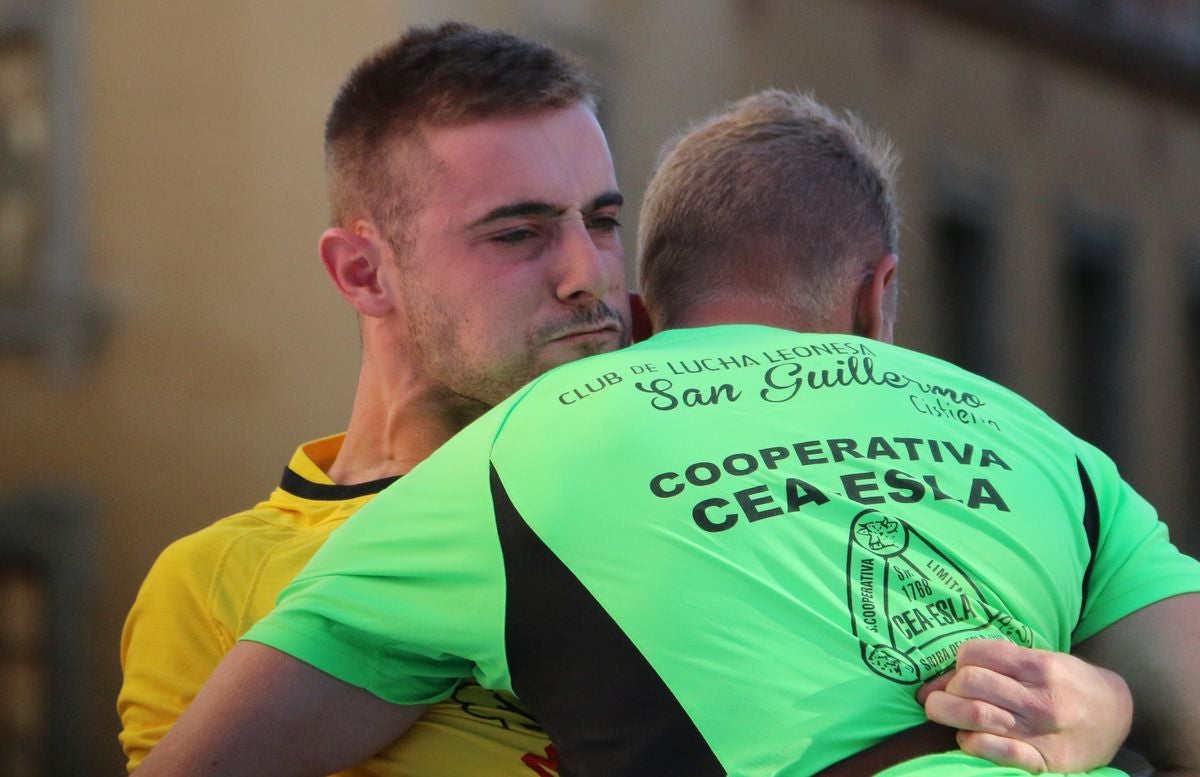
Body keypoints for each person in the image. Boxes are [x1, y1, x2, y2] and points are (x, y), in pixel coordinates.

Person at [133, 86, 1197, 776]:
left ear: (643, 312)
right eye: (516, 231)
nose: (573, 273)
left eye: (596, 224)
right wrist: (1111, 713)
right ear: (880, 300)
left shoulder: (515, 459)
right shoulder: (1048, 445)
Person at [117, 22, 629, 776]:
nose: (589, 273)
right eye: (518, 233)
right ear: (363, 272)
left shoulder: (689, 487)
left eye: (606, 220)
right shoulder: (215, 579)